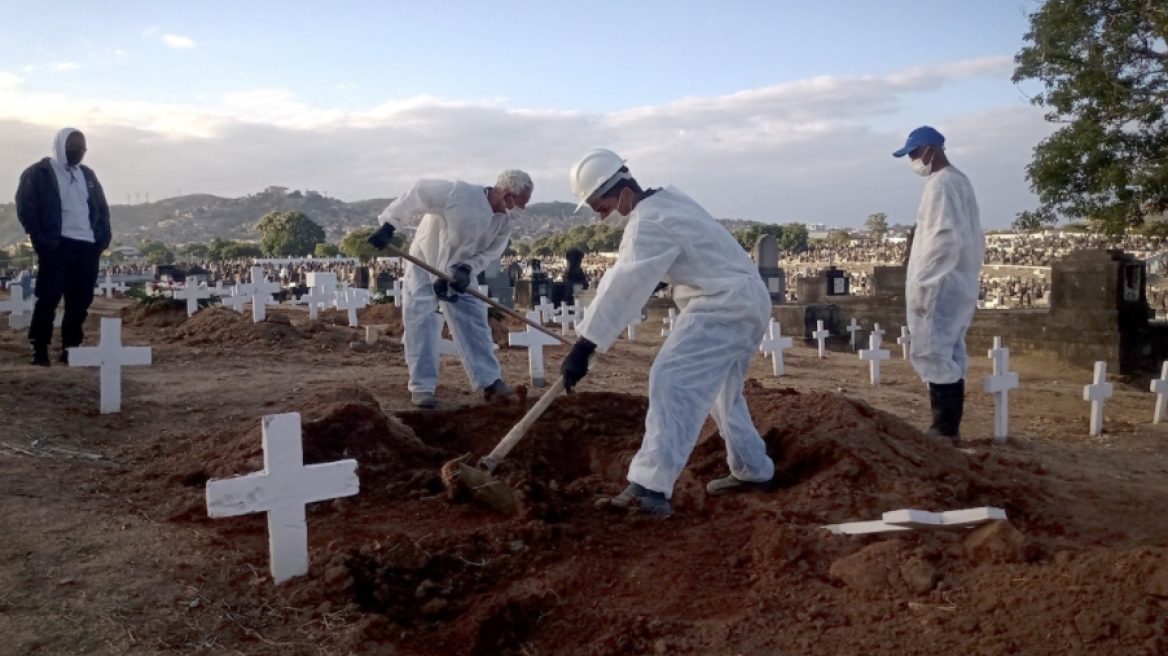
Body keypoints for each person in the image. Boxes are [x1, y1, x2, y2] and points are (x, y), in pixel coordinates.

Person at [561, 148, 775, 516]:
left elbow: (622, 284)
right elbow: (685, 255)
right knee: (722, 393)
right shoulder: (669, 202)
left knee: (671, 377)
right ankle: (753, 469)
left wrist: (585, 345)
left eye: (602, 207)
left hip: (723, 304)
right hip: (743, 300)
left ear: (625, 193)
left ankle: (649, 488)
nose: (601, 218)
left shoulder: (648, 221)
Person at [369, 170, 533, 408]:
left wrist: (467, 269)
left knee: (474, 319)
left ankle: (490, 382)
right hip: (425, 261)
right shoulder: (460, 193)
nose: (522, 209)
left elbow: (490, 252)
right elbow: (419, 190)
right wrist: (390, 224)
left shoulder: (504, 220)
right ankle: (422, 387)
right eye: (521, 203)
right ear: (507, 195)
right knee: (421, 320)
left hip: (459, 272)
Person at [893, 126, 985, 445]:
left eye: (916, 153)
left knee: (932, 348)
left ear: (931, 150)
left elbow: (943, 238)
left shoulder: (942, 184)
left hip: (939, 283)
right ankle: (948, 425)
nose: (914, 160)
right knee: (950, 349)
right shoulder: (960, 180)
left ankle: (944, 427)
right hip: (958, 280)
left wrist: (924, 281)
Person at [15, 128, 111, 366]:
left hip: (86, 247)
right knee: (48, 299)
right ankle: (39, 348)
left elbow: (101, 208)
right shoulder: (39, 173)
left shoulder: (86, 175)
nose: (77, 152)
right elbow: (27, 208)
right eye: (72, 147)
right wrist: (41, 240)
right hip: (56, 246)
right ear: (60, 146)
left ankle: (71, 348)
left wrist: (101, 240)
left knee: (80, 302)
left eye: (82, 148)